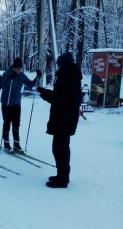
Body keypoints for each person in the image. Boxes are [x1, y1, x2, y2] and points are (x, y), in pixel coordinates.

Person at [37, 52, 82, 188]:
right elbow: (61, 96)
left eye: (58, 64)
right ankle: (62, 175)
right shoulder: (72, 75)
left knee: (59, 148)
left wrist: (44, 93)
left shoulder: (66, 76)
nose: (57, 67)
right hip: (66, 117)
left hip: (64, 118)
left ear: (63, 64)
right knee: (61, 147)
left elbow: (58, 98)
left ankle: (62, 179)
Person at [0, 57, 41, 153]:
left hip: (16, 103)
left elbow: (30, 84)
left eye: (20, 69)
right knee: (7, 123)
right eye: (17, 69)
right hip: (6, 103)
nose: (19, 70)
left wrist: (37, 77)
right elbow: (1, 85)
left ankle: (16, 144)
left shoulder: (21, 75)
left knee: (16, 123)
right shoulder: (7, 74)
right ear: (13, 67)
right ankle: (6, 143)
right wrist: (9, 77)